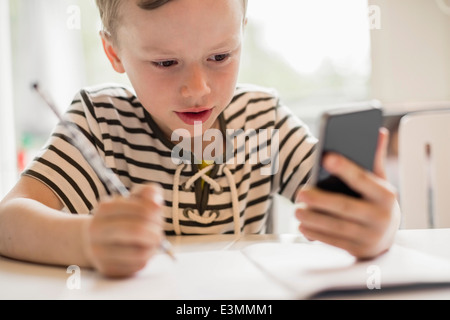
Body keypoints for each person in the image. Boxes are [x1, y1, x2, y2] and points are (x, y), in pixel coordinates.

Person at [0, 0, 400, 278]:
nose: (198, 89)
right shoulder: (100, 124)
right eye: (165, 63)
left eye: (221, 56)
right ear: (114, 52)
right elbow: (8, 223)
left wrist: (382, 225)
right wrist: (86, 242)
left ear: (241, 34)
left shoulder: (264, 121)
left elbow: (350, 207)